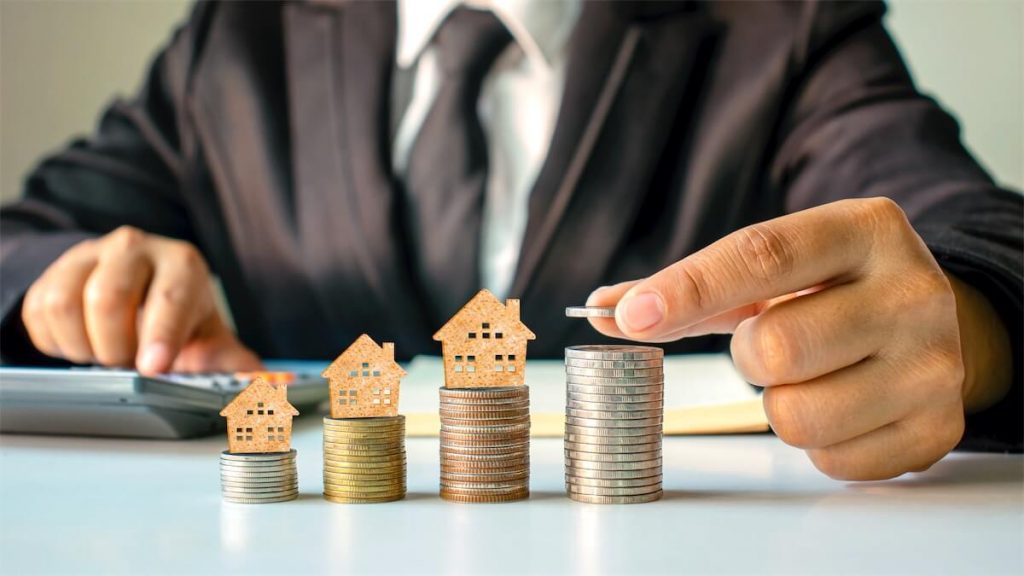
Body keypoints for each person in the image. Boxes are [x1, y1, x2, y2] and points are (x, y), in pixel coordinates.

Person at [0, 0, 1020, 481]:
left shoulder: (782, 30)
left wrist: (967, 322)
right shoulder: (238, 40)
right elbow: (22, 235)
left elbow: (980, 238)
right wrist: (67, 283)